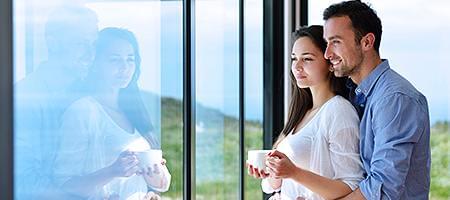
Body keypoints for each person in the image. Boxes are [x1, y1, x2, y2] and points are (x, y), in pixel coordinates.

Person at [322, 1, 431, 199]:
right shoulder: (357, 94)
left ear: (366, 42)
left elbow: (383, 190)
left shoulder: (394, 99)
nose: (327, 53)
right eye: (326, 43)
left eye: (336, 42)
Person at [52, 27, 171, 200]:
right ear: (94, 64)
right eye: (115, 60)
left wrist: (150, 188)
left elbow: (159, 184)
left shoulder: (134, 111)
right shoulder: (83, 111)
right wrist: (112, 172)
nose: (125, 67)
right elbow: (64, 184)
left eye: (130, 60)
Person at [248, 25, 364, 200]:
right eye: (294, 59)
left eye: (307, 59)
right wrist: (273, 172)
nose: (297, 67)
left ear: (330, 64)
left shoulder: (339, 111)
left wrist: (294, 172)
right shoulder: (302, 112)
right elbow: (278, 186)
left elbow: (350, 186)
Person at [14, 5, 98, 199]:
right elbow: (24, 182)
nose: (90, 54)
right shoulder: (26, 98)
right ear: (52, 43)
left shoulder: (86, 98)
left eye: (94, 44)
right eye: (80, 43)